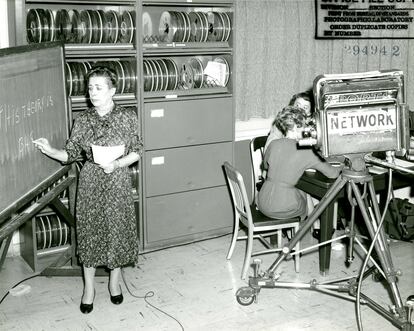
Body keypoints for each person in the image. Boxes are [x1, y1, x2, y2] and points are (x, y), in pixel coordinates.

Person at [33, 66, 142, 314]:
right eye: (90, 87)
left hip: (117, 180)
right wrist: (50, 150)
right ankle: (89, 288)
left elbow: (137, 151)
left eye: (98, 87)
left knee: (117, 230)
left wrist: (116, 164)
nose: (92, 92)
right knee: (90, 233)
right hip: (91, 180)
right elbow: (69, 154)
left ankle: (115, 284)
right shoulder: (83, 119)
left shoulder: (128, 117)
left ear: (112, 90)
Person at [257, 106, 341, 220]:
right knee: (305, 198)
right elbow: (333, 174)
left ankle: (308, 226)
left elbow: (266, 166)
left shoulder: (274, 144)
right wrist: (343, 165)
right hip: (282, 207)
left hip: (262, 200)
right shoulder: (305, 150)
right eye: (304, 125)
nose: (306, 129)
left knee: (300, 191)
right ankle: (306, 227)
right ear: (296, 127)